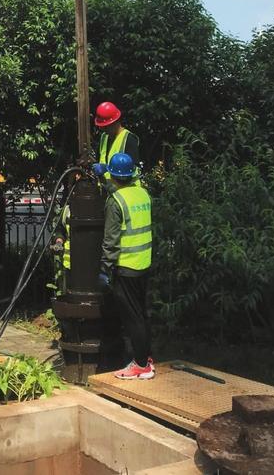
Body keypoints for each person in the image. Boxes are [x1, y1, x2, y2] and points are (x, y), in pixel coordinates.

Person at [99, 152, 154, 380]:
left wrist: (105, 269)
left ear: (114, 174)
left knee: (132, 318)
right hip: (144, 264)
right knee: (141, 314)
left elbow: (111, 240)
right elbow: (121, 193)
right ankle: (147, 358)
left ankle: (140, 365)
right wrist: (105, 179)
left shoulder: (115, 202)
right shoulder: (142, 193)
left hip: (126, 267)